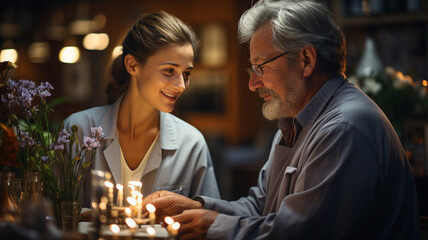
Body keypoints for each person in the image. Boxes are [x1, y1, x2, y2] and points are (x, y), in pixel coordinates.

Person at [142, 1, 419, 239]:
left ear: (307, 60)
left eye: (261, 66)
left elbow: (303, 234)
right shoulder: (294, 123)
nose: (252, 83)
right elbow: (260, 208)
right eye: (253, 68)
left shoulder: (344, 128)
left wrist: (212, 225)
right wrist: (194, 207)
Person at [63, 11, 220, 216]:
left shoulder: (192, 143)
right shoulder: (78, 130)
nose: (181, 85)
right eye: (169, 71)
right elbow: (56, 216)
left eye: (186, 74)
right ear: (133, 65)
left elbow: (209, 224)